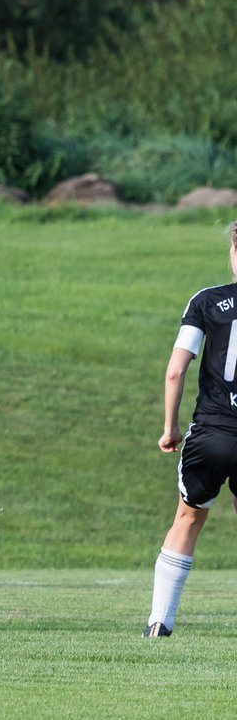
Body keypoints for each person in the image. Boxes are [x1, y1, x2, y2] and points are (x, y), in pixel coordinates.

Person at [145, 221, 237, 637]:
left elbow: (175, 370)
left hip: (213, 432)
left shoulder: (206, 301)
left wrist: (170, 427)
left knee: (188, 518)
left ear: (234, 251)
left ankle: (159, 623)